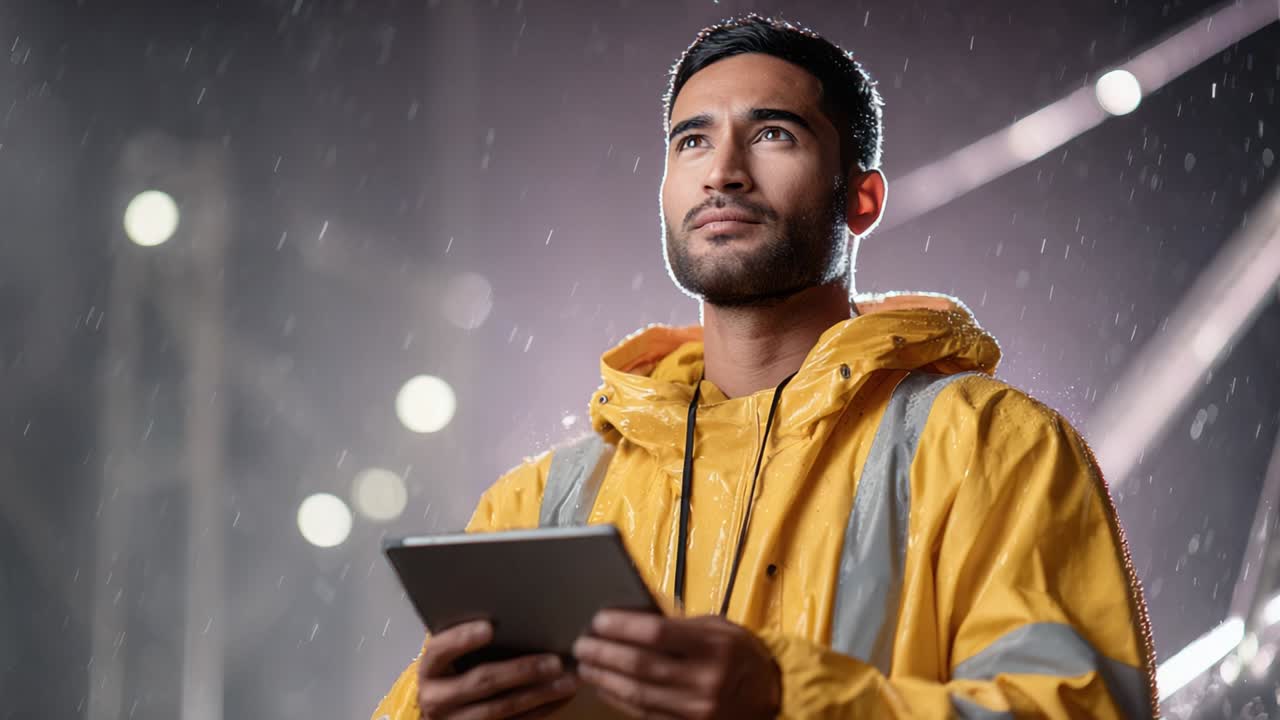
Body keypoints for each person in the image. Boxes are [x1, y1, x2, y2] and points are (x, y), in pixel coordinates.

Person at [371, 13, 1158, 720]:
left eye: (774, 134)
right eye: (692, 141)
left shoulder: (995, 450)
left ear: (862, 199)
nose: (723, 171)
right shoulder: (537, 504)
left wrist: (787, 698)